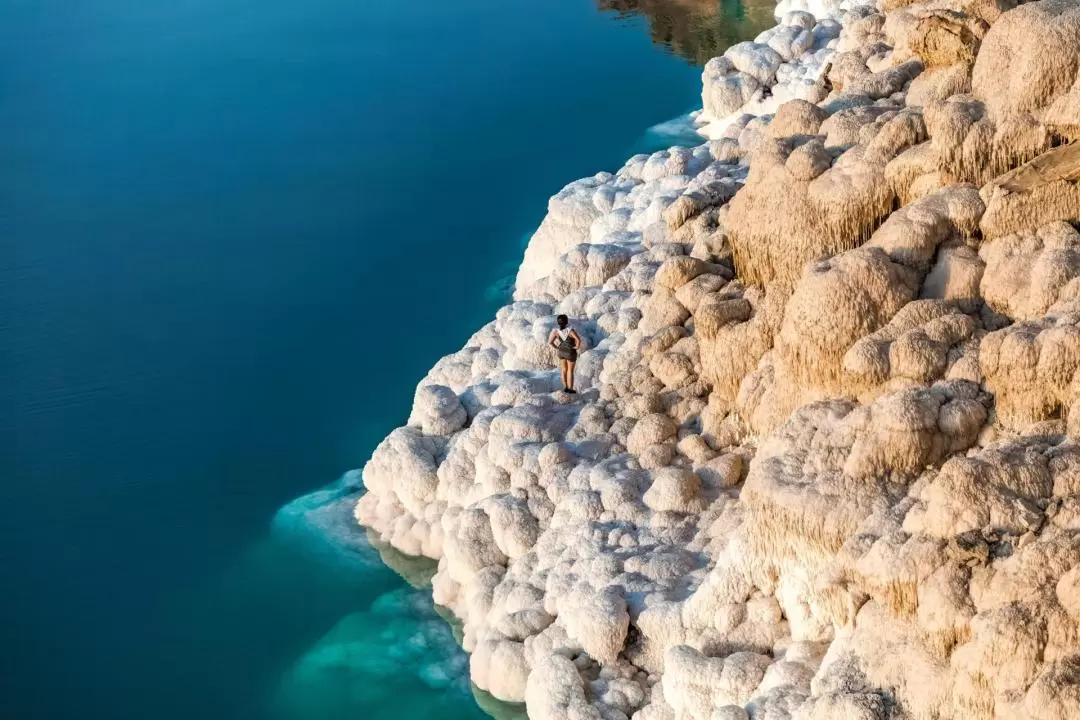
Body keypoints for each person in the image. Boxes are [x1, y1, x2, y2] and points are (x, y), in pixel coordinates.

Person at [548, 314, 581, 394]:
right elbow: (578, 340)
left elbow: (550, 342)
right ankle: (570, 389)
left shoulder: (556, 332)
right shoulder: (570, 331)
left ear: (558, 322)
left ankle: (565, 387)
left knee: (563, 370)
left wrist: (557, 348)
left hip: (561, 352)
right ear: (566, 322)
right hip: (570, 352)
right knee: (570, 371)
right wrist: (576, 347)